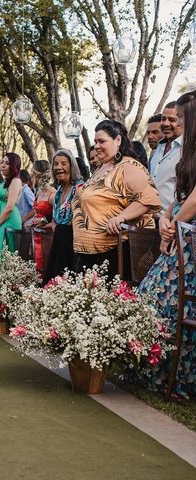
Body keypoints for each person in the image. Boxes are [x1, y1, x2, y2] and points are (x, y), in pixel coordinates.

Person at [129, 89, 196, 398]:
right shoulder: (187, 152)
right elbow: (177, 193)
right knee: (147, 294)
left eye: (182, 117)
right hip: (177, 227)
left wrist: (176, 224)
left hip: (191, 239)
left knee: (166, 300)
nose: (177, 122)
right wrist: (166, 219)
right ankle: (145, 367)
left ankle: (174, 374)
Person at [72, 120, 161, 279]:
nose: (97, 146)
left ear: (118, 140)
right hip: (86, 253)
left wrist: (121, 217)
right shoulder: (101, 168)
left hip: (112, 252)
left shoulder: (129, 166)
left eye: (102, 141)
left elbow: (148, 199)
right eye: (95, 142)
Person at [42, 150, 84, 284]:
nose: (59, 167)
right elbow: (55, 219)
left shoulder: (79, 188)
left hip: (73, 246)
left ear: (72, 166)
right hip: (59, 242)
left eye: (64, 163)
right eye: (56, 164)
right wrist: (54, 226)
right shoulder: (59, 191)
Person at [150, 101, 183, 214]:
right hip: (151, 221)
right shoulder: (157, 149)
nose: (165, 123)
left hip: (173, 223)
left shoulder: (188, 151)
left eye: (172, 120)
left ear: (182, 121)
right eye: (163, 119)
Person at [23, 160, 56, 271]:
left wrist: (41, 221)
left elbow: (58, 217)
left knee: (46, 264)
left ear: (36, 174)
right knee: (36, 263)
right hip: (36, 233)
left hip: (48, 234)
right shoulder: (39, 192)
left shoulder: (53, 193)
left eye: (32, 172)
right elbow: (37, 212)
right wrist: (32, 223)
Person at [0, 153, 23, 254]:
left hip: (8, 220)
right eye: (2, 162)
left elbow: (9, 208)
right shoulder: (5, 183)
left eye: (7, 163)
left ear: (14, 166)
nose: (3, 165)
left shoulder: (16, 181)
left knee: (4, 253)